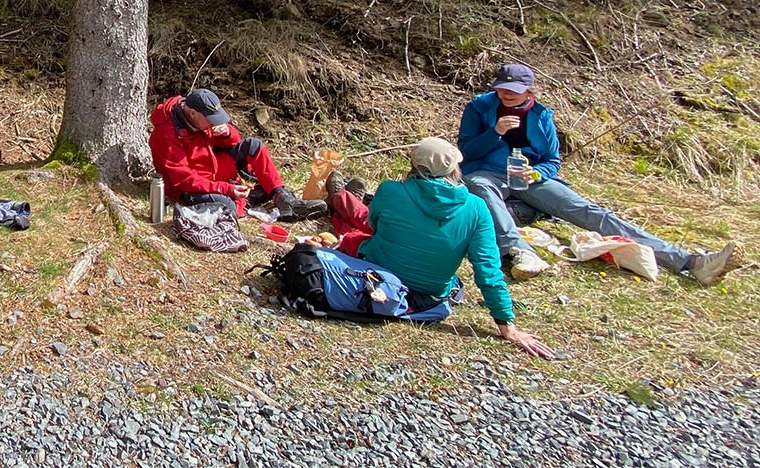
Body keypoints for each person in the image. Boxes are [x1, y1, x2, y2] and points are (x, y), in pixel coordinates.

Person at [458, 63, 741, 284]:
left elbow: (552, 161)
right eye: (501, 88)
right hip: (487, 173)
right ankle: (520, 252)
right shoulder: (479, 107)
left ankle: (690, 263)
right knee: (479, 187)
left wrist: (537, 174)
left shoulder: (542, 116)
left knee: (590, 212)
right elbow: (466, 153)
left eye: (513, 89)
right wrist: (495, 132)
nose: (506, 93)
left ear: (529, 91)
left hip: (528, 178)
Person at [323, 137, 556, 358]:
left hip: (377, 269)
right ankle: (342, 198)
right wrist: (506, 324)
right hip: (430, 291)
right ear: (455, 169)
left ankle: (340, 198)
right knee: (361, 230)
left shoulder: (390, 190)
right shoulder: (477, 208)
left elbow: (374, 225)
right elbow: (488, 271)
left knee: (353, 235)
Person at [149, 88, 325, 222]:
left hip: (213, 167)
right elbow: (184, 180)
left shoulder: (199, 118)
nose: (213, 123)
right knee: (229, 208)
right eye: (211, 119)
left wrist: (226, 133)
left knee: (253, 146)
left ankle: (283, 198)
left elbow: (233, 142)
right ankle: (247, 200)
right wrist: (226, 189)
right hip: (189, 187)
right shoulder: (166, 134)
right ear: (193, 114)